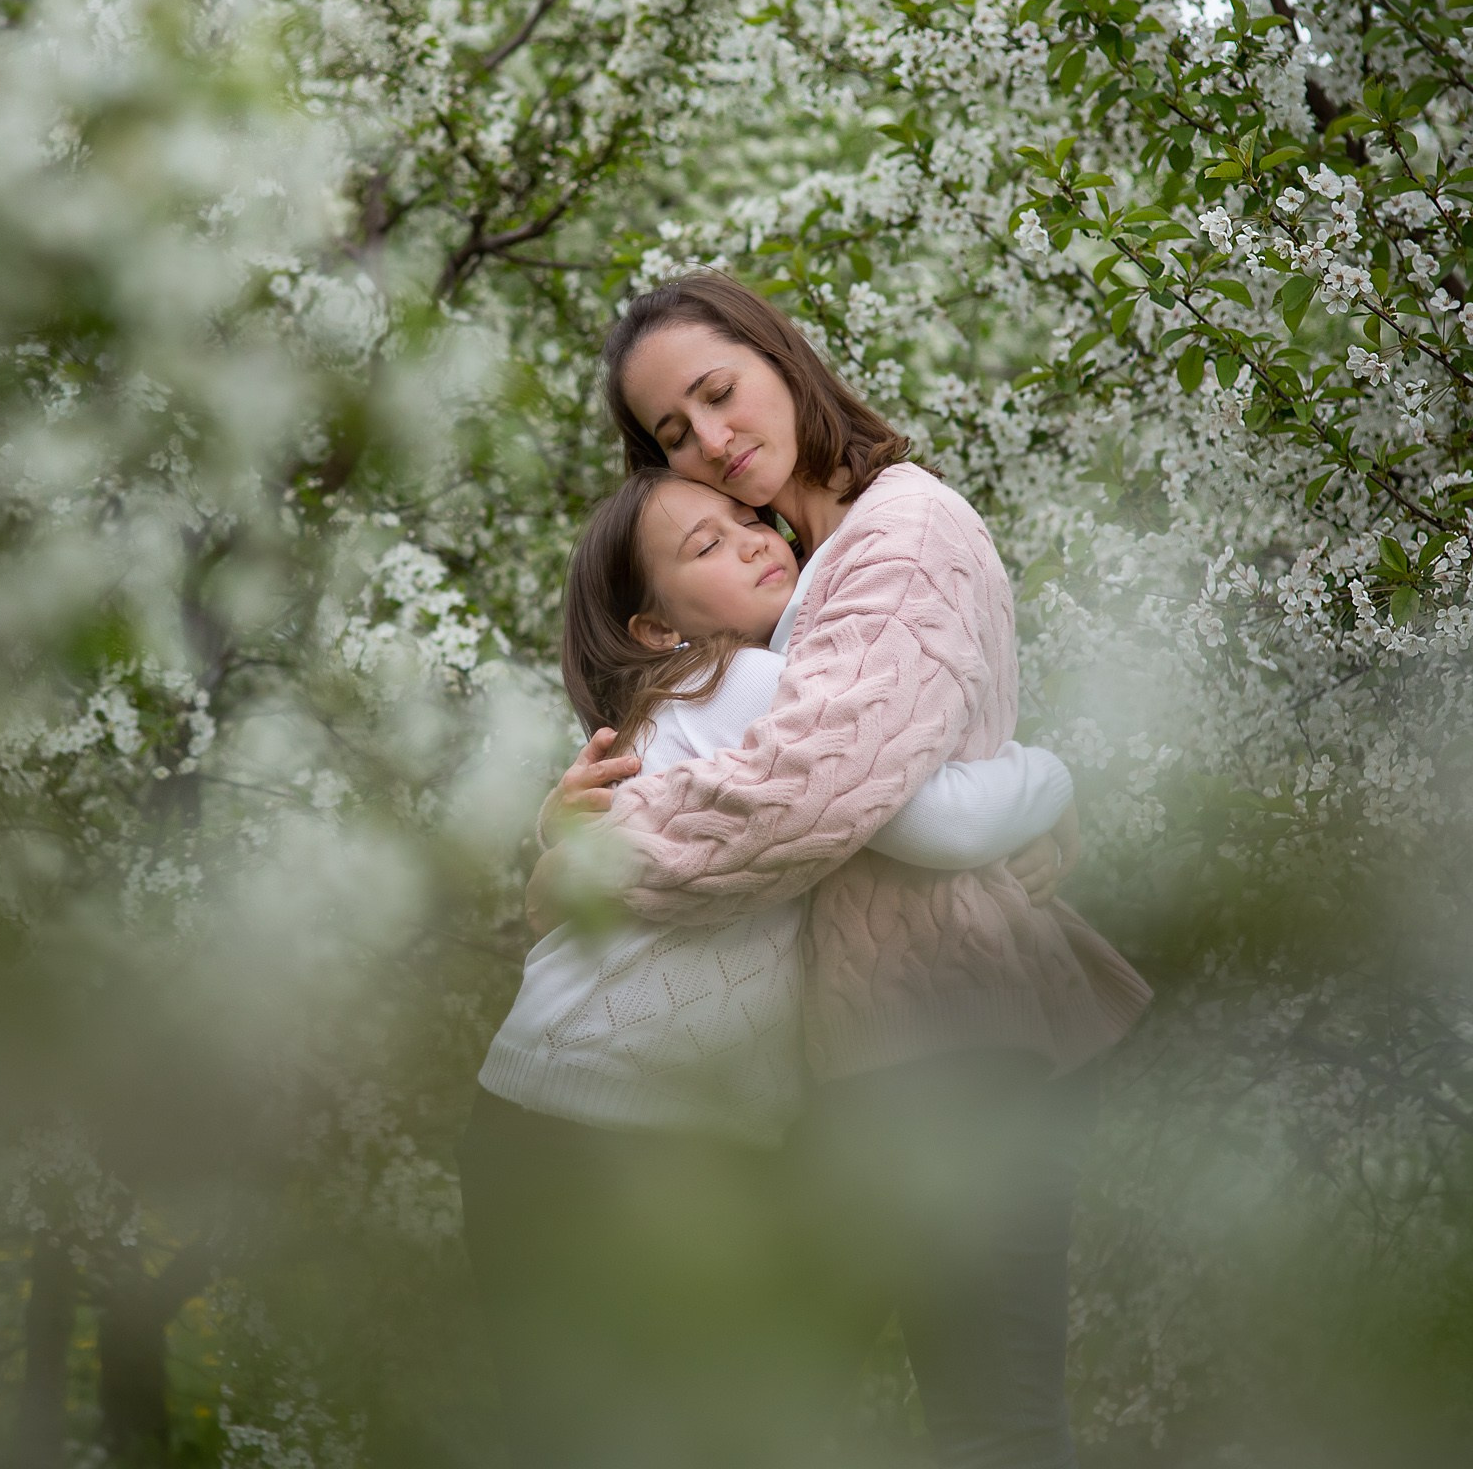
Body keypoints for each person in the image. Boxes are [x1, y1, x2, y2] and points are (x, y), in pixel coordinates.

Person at [528, 272, 1151, 1468]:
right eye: (674, 433)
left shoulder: (899, 532)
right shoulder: (788, 578)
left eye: (719, 392)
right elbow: (735, 746)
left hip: (946, 1044)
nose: (712, 441)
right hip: (850, 1066)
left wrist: (594, 871)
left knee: (988, 1428)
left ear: (779, 356)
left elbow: (813, 792)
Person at [462, 465, 1077, 1469]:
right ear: (657, 627)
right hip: (597, 1140)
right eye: (705, 547)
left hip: (546, 1120)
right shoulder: (749, 685)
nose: (753, 539)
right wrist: (1056, 775)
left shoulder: (693, 704)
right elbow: (940, 817)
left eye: (747, 519)